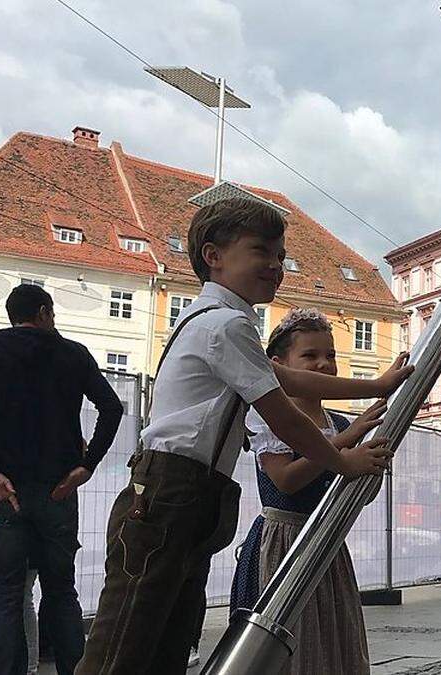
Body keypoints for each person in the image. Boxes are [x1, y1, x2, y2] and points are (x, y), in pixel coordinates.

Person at [78, 198, 411, 675]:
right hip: (171, 489)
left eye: (279, 255)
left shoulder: (221, 323)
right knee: (127, 646)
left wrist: (375, 386)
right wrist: (344, 461)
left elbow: (291, 381)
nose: (275, 266)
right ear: (213, 255)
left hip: (183, 492)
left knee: (164, 635)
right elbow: (282, 414)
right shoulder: (225, 325)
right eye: (261, 251)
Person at [0, 284, 124, 675]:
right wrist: (88, 465)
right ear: (45, 311)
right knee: (61, 590)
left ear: (12, 315)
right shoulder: (72, 353)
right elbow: (111, 407)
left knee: (6, 592)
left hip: (5, 491)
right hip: (58, 488)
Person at [229, 309, 387, 673]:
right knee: (287, 647)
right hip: (283, 544)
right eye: (310, 356)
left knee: (333, 644)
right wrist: (346, 444)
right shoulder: (267, 417)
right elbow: (285, 480)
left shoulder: (341, 421)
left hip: (328, 543)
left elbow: (357, 492)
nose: (324, 364)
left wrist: (372, 467)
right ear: (277, 364)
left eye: (330, 355)